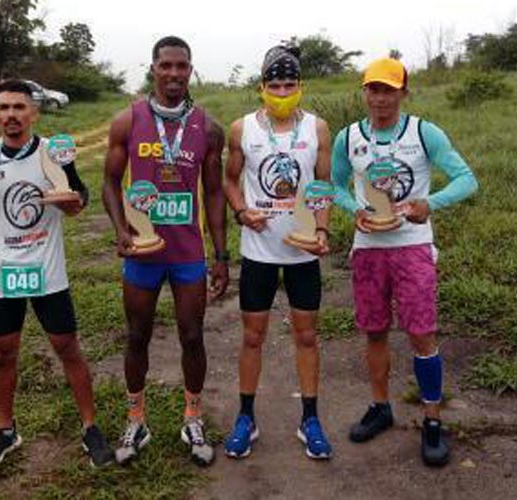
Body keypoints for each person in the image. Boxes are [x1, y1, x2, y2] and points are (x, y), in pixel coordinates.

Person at [0, 79, 114, 470]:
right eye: (3, 108)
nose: (11, 116)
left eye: (19, 108)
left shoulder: (54, 155)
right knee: (3, 354)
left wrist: (72, 204)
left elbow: (79, 197)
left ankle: (90, 428)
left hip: (47, 271)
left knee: (67, 348)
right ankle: (5, 431)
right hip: (2, 273)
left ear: (34, 113)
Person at [331, 57, 478, 466]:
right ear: (363, 92)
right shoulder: (348, 138)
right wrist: (353, 210)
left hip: (413, 245)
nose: (380, 98)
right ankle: (381, 407)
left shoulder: (423, 132)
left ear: (403, 93)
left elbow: (467, 179)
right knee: (374, 331)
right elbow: (331, 184)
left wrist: (429, 204)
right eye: (373, 89)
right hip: (369, 247)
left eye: (389, 90)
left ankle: (432, 419)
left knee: (421, 334)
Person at [102, 36, 228, 467]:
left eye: (182, 66)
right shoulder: (128, 120)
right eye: (166, 66)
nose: (174, 74)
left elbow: (213, 194)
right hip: (142, 253)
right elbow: (109, 182)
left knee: (192, 335)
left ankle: (192, 416)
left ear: (191, 71)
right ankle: (136, 418)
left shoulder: (208, 128)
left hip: (187, 253)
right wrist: (121, 230)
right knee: (136, 335)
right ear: (153, 68)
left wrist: (222, 255)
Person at [221, 44, 333, 460]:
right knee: (253, 336)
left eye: (289, 85)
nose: (282, 92)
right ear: (261, 87)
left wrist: (321, 230)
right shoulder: (241, 129)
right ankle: (246, 417)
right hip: (258, 252)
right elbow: (231, 180)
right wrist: (240, 210)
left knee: (307, 335)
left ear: (300, 86)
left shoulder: (318, 129)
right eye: (274, 85)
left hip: (302, 252)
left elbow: (323, 188)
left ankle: (311, 419)